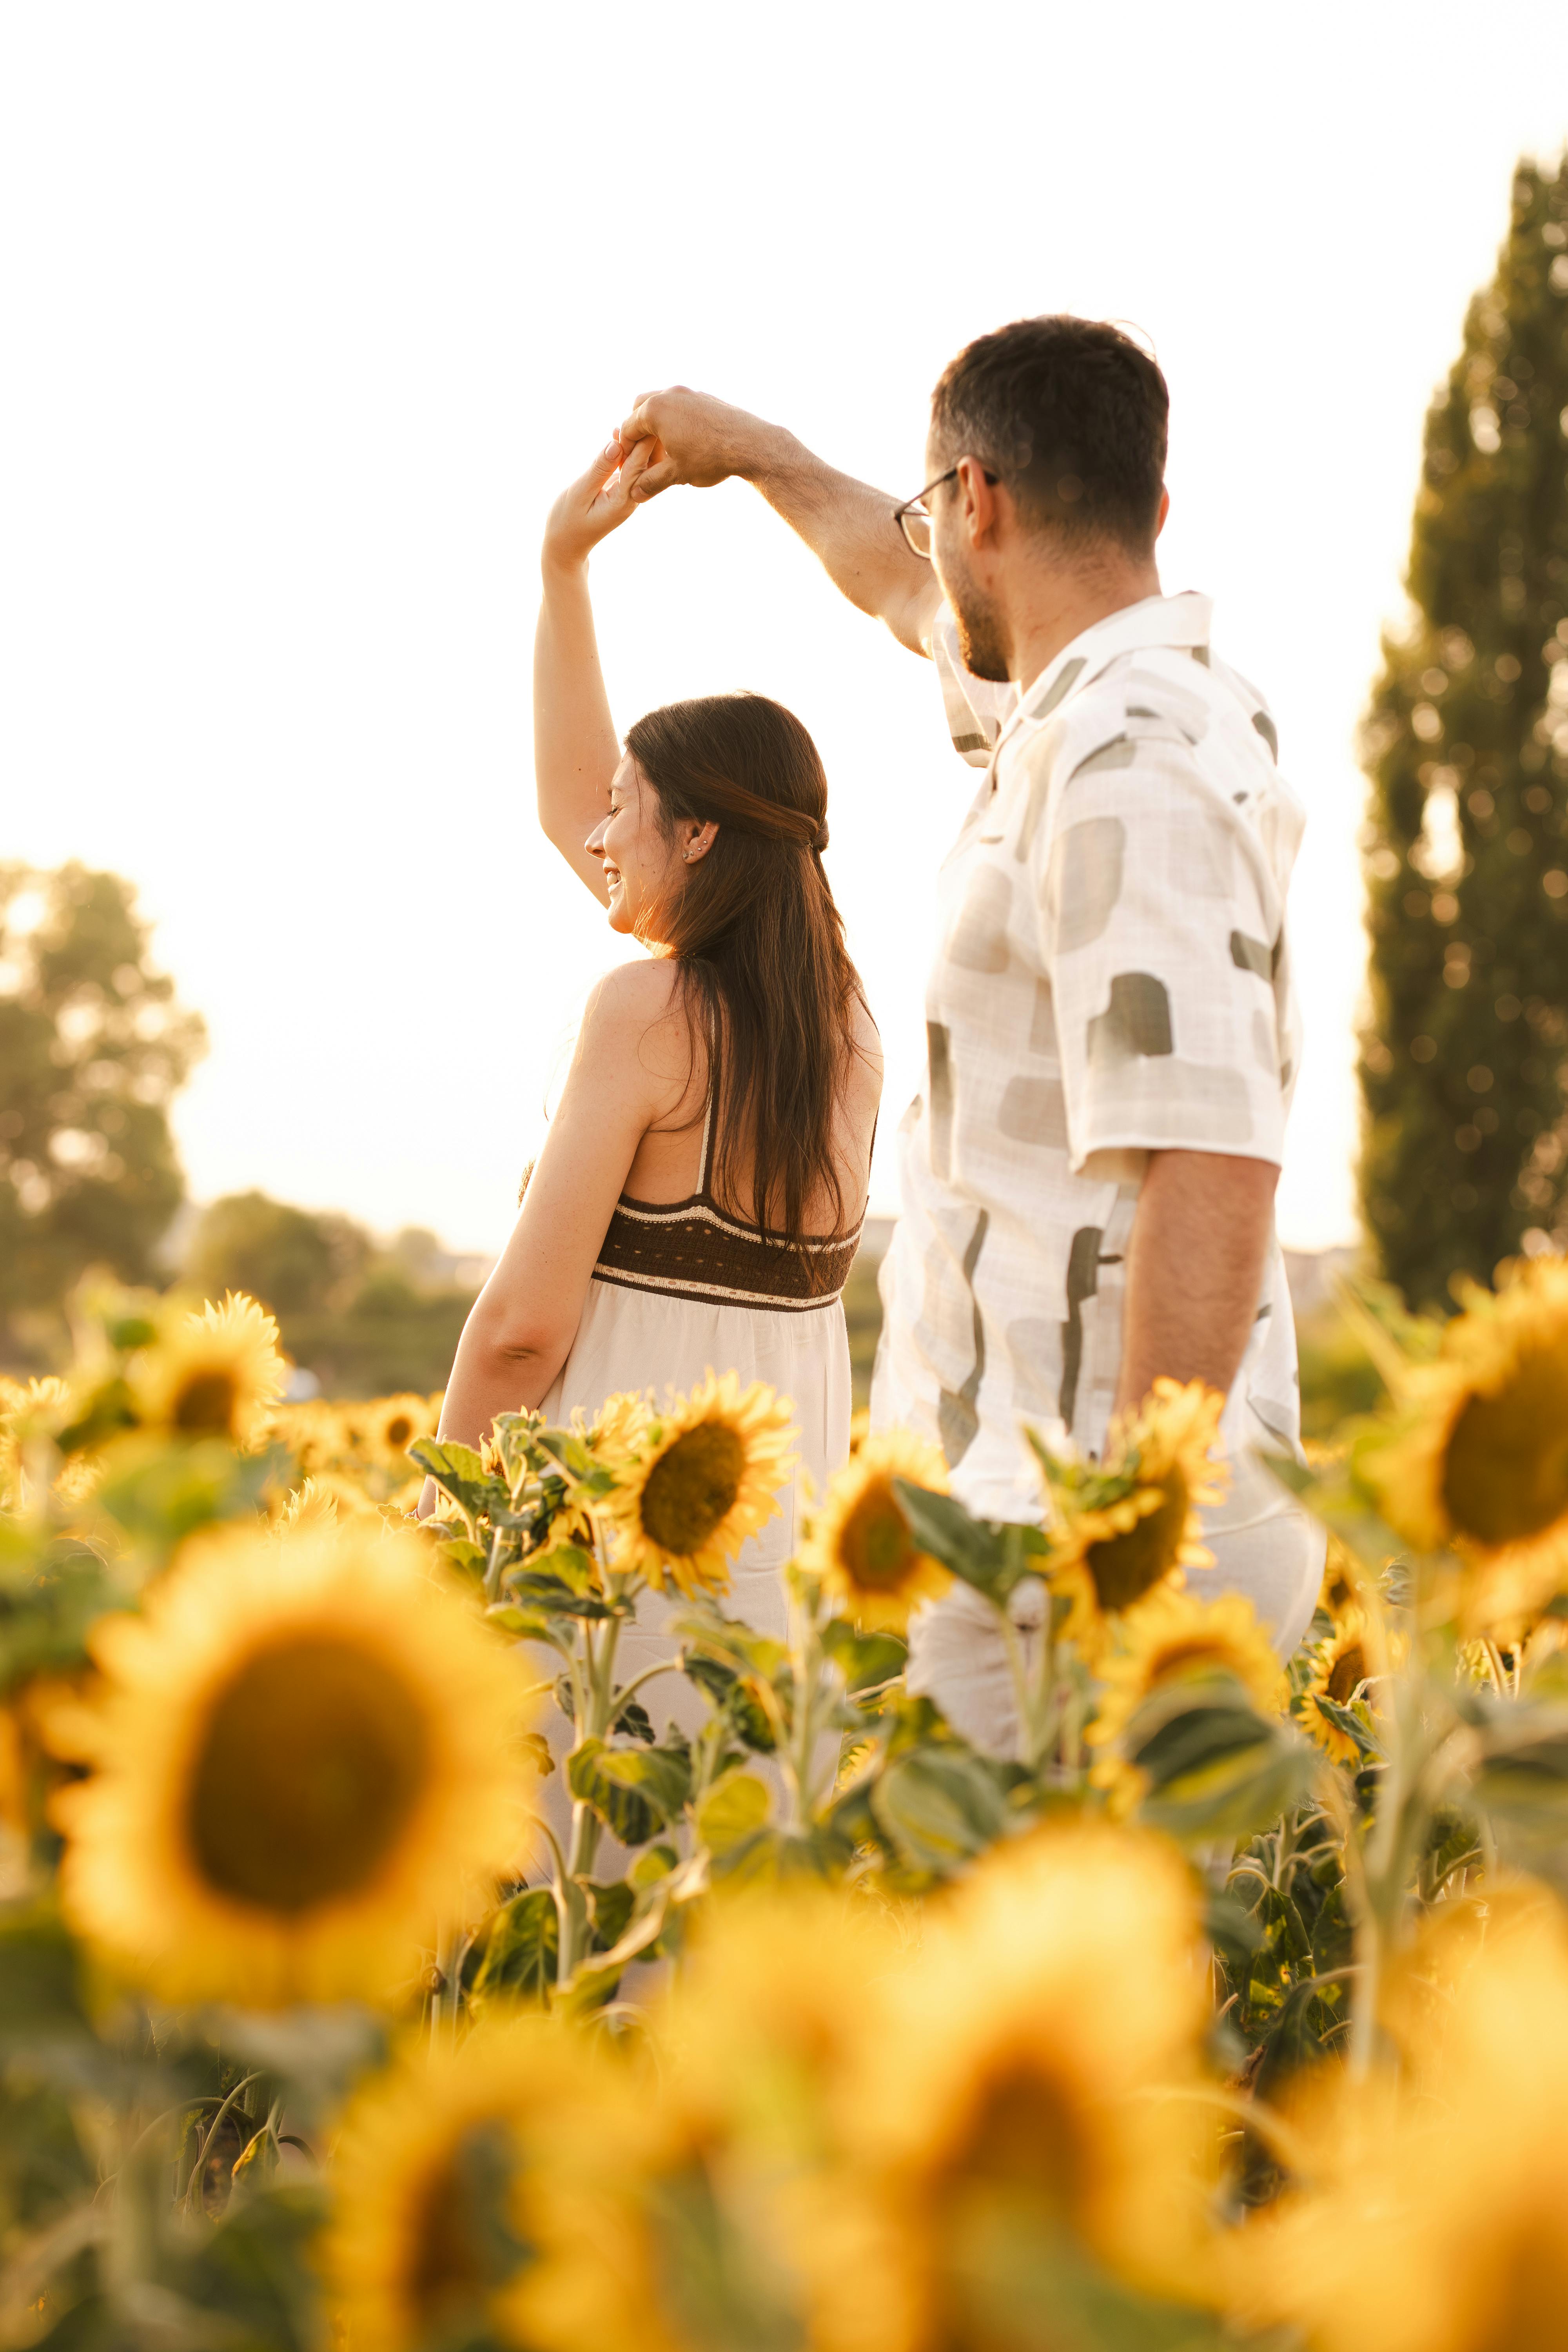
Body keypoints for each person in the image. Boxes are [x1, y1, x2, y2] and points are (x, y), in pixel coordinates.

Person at [614, 318, 1323, 1751]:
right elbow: (894, 587)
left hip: (1080, 1537)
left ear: (978, 504)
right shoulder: (1086, 714)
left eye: (933, 513)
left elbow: (1211, 1151)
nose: (922, 553)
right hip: (1039, 1513)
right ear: (1153, 511)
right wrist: (747, 450)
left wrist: (1128, 1551)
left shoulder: (1129, 762)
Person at [425, 434, 883, 1687]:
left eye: (625, 805)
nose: (596, 831)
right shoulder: (845, 1030)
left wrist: (439, 1535)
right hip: (771, 1627)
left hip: (614, 1601)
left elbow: (523, 1331)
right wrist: (561, 572)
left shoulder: (647, 1012)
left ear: (697, 830)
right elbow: (572, 801)